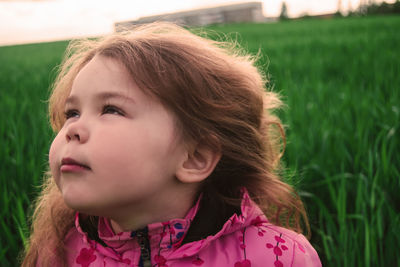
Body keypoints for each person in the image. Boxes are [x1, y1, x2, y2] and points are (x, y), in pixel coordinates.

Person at [21, 22, 321, 267]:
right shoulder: (60, 248)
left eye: (111, 109)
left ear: (194, 158)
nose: (72, 128)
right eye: (71, 112)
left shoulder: (278, 257)